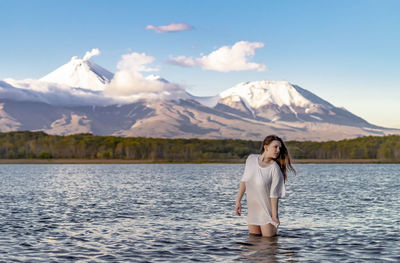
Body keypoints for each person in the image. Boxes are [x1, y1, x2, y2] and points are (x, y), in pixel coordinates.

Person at [235, 135, 296, 237]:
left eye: (279, 148)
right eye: (275, 147)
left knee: (269, 246)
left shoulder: (275, 169)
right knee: (253, 245)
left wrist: (274, 217)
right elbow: (244, 180)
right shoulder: (251, 159)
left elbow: (274, 195)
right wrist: (238, 201)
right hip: (253, 212)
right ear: (266, 147)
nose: (278, 150)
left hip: (267, 214)